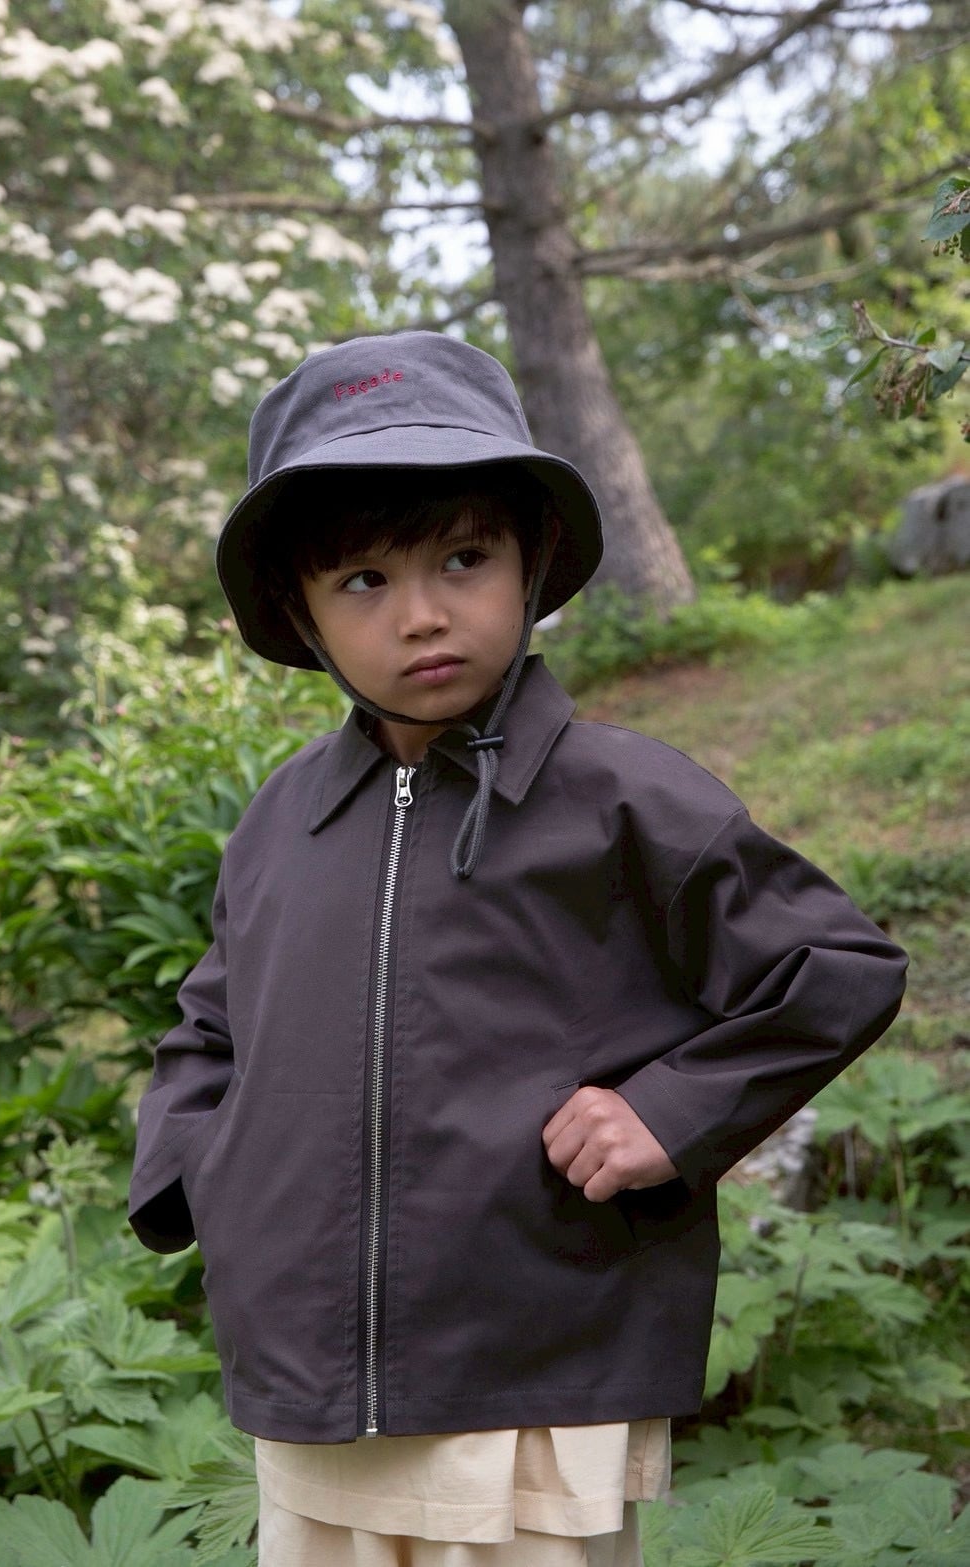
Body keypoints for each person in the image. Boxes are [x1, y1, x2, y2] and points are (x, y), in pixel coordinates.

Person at [129, 331, 907, 1567]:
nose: (424, 613)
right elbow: (209, 1027)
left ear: (531, 559)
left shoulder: (624, 797)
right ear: (296, 608)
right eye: (364, 579)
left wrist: (670, 1110)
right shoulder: (281, 821)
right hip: (307, 1382)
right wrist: (206, 1179)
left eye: (463, 558)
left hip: (540, 1371)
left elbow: (834, 968)